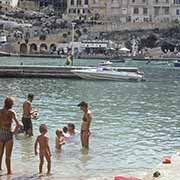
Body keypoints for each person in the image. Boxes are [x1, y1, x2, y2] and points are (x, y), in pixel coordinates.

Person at [0, 97, 20, 174]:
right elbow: (18, 125)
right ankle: (9, 172)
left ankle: (0, 169)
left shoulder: (0, 111)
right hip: (8, 134)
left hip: (0, 133)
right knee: (8, 156)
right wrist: (13, 133)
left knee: (0, 154)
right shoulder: (12, 112)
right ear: (11, 104)